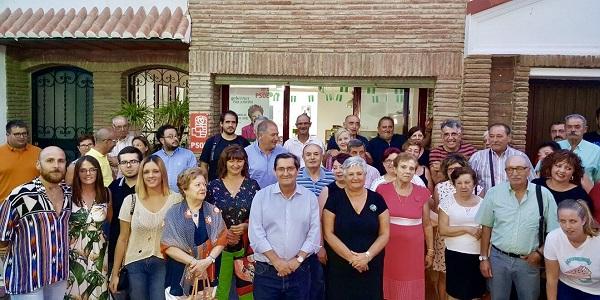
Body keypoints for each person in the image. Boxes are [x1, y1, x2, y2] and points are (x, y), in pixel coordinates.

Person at [477, 155, 559, 300]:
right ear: (506, 171)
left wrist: (540, 253)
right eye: (510, 169)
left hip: (529, 261)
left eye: (520, 168)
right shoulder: (494, 193)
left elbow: (554, 232)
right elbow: (486, 227)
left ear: (528, 171)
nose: (515, 173)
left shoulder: (543, 195)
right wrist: (484, 258)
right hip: (498, 259)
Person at [0, 146, 71, 298]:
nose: (56, 166)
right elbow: (2, 236)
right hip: (27, 279)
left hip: (59, 275)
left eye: (61, 161)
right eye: (50, 161)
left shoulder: (69, 194)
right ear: (38, 165)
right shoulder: (21, 196)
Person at [248, 153, 321, 300]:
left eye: (290, 168)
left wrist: (298, 260)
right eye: (281, 169)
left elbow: (314, 233)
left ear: (298, 170)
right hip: (266, 271)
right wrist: (276, 261)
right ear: (274, 171)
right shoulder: (261, 197)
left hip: (300, 270)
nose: (286, 173)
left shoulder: (310, 198)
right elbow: (256, 234)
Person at [108, 155, 179, 300]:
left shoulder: (176, 200)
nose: (151, 175)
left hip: (164, 262)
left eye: (155, 171)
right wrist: (114, 273)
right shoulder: (131, 201)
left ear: (163, 173)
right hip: (134, 263)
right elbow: (123, 238)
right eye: (146, 172)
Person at [323, 156, 390, 300]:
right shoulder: (334, 199)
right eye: (351, 174)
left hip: (371, 263)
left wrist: (367, 257)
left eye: (359, 173)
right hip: (341, 264)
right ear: (345, 176)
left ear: (365, 175)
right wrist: (353, 259)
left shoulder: (377, 199)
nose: (355, 177)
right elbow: (328, 233)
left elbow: (384, 233)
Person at [376, 153, 434, 300]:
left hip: (413, 251)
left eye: (411, 168)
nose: (407, 171)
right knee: (387, 287)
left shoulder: (422, 192)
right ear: (394, 168)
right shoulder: (381, 190)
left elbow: (427, 224)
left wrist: (430, 251)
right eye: (403, 167)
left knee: (410, 291)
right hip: (388, 247)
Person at [205, 145, 260, 300]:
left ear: (245, 162)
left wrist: (246, 227)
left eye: (239, 160)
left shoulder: (252, 186)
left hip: (246, 248)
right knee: (220, 292)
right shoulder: (213, 186)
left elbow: (261, 216)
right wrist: (223, 232)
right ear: (224, 162)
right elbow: (205, 216)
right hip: (220, 248)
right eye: (231, 161)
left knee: (248, 293)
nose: (235, 165)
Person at [162, 167, 227, 297]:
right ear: (185, 189)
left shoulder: (213, 211)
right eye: (197, 185)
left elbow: (222, 239)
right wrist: (195, 263)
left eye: (204, 184)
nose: (203, 188)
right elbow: (167, 246)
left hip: (209, 271)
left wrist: (208, 260)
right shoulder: (173, 213)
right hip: (179, 273)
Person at [438, 167, 486, 300]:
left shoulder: (483, 204)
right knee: (455, 294)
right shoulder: (447, 202)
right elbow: (443, 230)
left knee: (475, 294)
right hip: (455, 255)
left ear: (474, 183)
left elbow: (486, 231)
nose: (463, 186)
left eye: (467, 182)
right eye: (459, 183)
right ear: (453, 184)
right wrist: (467, 228)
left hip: (477, 255)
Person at [67, 156, 111, 299]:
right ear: (77, 173)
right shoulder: (68, 194)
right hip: (73, 251)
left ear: (98, 171)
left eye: (92, 169)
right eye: (83, 170)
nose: (88, 174)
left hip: (99, 252)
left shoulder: (106, 193)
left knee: (97, 290)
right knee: (74, 290)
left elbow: (109, 221)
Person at [295, 143, 335, 300]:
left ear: (322, 156)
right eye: (308, 154)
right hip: (301, 236)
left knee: (322, 281)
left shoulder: (332, 177)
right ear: (303, 157)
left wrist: (321, 245)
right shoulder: (295, 177)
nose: (312, 157)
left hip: (327, 235)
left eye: (316, 154)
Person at [544, 199, 600, 299]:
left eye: (573, 221)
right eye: (562, 221)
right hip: (567, 286)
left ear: (584, 220)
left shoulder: (597, 241)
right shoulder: (553, 238)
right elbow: (552, 279)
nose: (567, 226)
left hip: (596, 291)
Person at [107, 146, 143, 274]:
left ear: (141, 163)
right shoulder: (113, 187)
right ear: (119, 165)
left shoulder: (148, 187)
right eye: (124, 162)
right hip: (117, 245)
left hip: (142, 249)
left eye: (133, 161)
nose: (128, 165)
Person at [469, 123, 534, 193]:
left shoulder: (520, 156)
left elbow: (532, 181)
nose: (495, 140)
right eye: (491, 136)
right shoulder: (477, 157)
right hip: (486, 201)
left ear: (509, 138)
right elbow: (468, 181)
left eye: (499, 136)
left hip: (514, 201)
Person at [200, 110, 250, 181]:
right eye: (227, 122)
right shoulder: (211, 142)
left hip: (239, 186)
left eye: (233, 122)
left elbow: (249, 165)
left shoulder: (243, 142)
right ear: (221, 124)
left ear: (236, 124)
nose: (230, 125)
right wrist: (206, 184)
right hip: (215, 187)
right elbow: (204, 166)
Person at [0, 120, 42, 200]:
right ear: (7, 135)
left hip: (33, 205)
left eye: (24, 133)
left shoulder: (39, 153)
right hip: (5, 205)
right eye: (17, 134)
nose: (22, 137)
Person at [429, 119, 477, 184]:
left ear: (460, 135)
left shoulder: (470, 150)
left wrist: (443, 168)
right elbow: (437, 180)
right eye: (446, 134)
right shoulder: (435, 153)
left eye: (454, 134)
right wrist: (462, 168)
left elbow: (473, 175)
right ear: (442, 136)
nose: (450, 138)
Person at [154, 124, 198, 191]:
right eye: (170, 137)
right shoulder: (155, 157)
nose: (175, 139)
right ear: (162, 140)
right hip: (160, 196)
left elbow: (194, 177)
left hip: (182, 196)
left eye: (176, 136)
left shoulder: (188, 155)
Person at [244, 120, 288, 188]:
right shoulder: (246, 153)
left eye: (277, 134)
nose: (276, 138)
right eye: (273, 135)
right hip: (255, 197)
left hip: (278, 196)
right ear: (260, 135)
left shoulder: (283, 153)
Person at [559, 114, 600, 182]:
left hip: (584, 192)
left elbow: (598, 181)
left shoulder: (596, 150)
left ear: (585, 129)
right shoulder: (555, 146)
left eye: (577, 127)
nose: (573, 130)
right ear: (565, 128)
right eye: (569, 127)